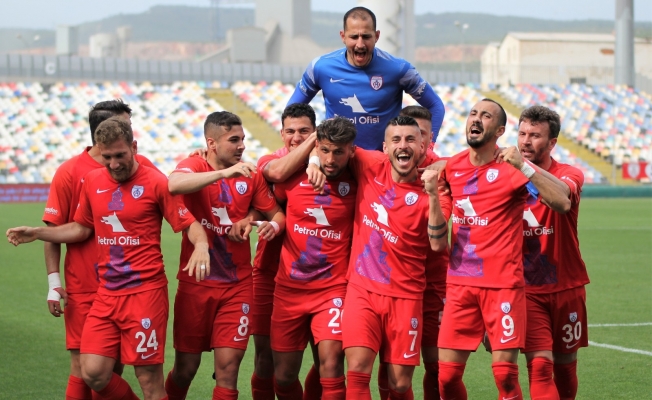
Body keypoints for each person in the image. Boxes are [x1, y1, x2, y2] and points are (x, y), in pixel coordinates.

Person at [8, 116, 210, 400]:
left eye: (120, 155)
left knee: (148, 379)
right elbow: (81, 228)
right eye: (107, 157)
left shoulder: (155, 182)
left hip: (145, 294)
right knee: (93, 372)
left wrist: (201, 245)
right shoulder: (92, 181)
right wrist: (38, 232)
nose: (114, 164)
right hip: (106, 294)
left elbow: (189, 223)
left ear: (134, 147)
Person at [437, 99, 569, 400]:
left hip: (503, 287)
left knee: (506, 377)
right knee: (446, 377)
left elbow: (562, 202)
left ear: (499, 131)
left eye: (486, 116)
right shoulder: (453, 166)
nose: (476, 119)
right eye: (473, 113)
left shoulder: (511, 167)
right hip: (460, 285)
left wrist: (523, 166)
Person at [312, 116, 447, 400]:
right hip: (362, 291)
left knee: (399, 384)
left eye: (410, 139)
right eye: (396, 140)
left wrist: (434, 195)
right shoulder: (370, 164)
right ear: (385, 147)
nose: (403, 145)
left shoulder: (434, 188)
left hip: (406, 296)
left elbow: (438, 244)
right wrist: (313, 161)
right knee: (358, 371)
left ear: (423, 146)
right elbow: (329, 143)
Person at [41, 99, 160, 399]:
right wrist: (54, 283)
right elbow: (57, 230)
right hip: (83, 287)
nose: (129, 131)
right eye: (124, 124)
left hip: (130, 287)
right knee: (84, 367)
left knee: (114, 370)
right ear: (101, 131)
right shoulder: (70, 171)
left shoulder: (140, 165)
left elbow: (169, 189)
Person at [164, 111, 286, 400]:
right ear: (212, 143)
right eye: (234, 140)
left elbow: (277, 215)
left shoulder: (250, 174)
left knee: (228, 371)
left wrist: (260, 223)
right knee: (185, 369)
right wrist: (223, 173)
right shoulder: (195, 164)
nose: (241, 146)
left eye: (242, 139)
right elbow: (173, 184)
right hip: (196, 284)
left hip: (237, 286)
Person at [501, 105, 589, 400]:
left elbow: (561, 200)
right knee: (539, 367)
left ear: (552, 143)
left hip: (567, 284)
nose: (525, 141)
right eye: (522, 133)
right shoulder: (504, 175)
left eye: (535, 135)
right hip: (527, 288)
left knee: (565, 368)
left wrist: (525, 169)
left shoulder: (569, 174)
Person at [271, 117, 358, 400]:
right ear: (316, 147)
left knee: (331, 367)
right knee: (283, 377)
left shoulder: (359, 182)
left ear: (351, 151)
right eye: (325, 151)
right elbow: (265, 204)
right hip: (289, 289)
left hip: (332, 290)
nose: (331, 160)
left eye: (339, 152)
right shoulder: (291, 177)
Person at [287, 6, 445, 151]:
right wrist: (309, 147)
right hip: (337, 163)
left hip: (380, 164)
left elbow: (435, 105)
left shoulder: (398, 69)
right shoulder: (320, 67)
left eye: (366, 36)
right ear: (343, 36)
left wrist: (428, 147)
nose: (360, 44)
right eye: (354, 37)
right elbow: (291, 111)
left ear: (377, 36)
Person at [249, 103, 324, 400]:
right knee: (265, 359)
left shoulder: (331, 164)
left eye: (304, 131)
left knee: (327, 359)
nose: (296, 137)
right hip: (270, 270)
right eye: (290, 131)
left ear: (314, 131)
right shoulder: (270, 161)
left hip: (320, 278)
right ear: (281, 133)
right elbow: (278, 173)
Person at [376, 106, 450, 400]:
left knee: (438, 365)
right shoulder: (383, 167)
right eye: (404, 136)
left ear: (428, 139)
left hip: (434, 284)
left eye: (420, 135)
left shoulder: (443, 174)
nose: (411, 142)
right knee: (389, 363)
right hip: (395, 285)